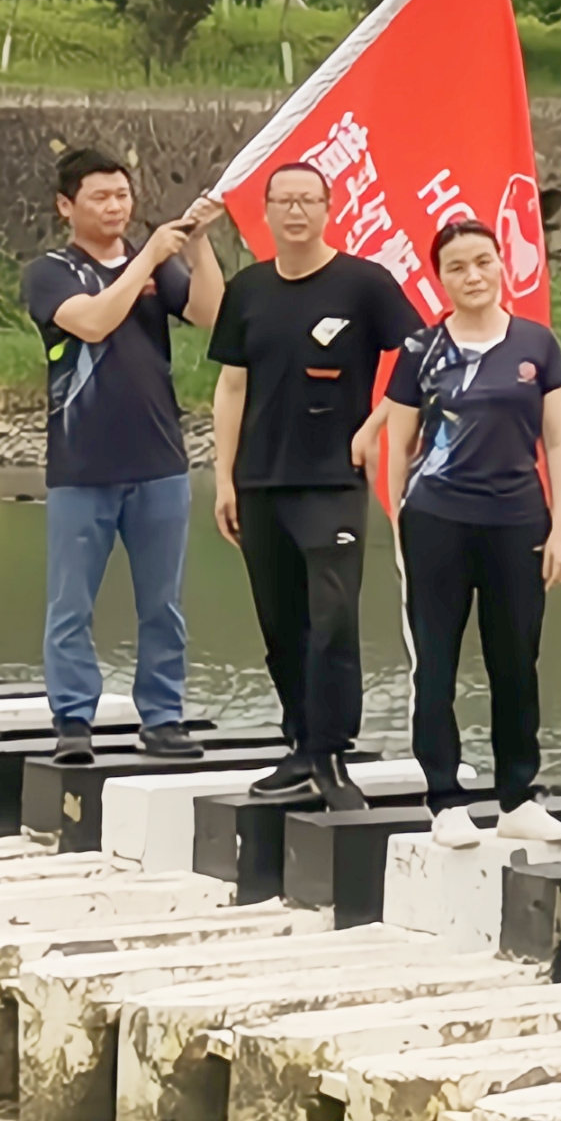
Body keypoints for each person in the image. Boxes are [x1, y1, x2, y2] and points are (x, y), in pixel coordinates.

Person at [369, 214, 561, 842]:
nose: (473, 275)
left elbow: (558, 442)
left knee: (516, 662)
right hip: (437, 520)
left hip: (518, 521)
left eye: (483, 261)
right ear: (441, 278)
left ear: (501, 265)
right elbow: (398, 446)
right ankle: (446, 801)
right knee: (435, 663)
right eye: (457, 267)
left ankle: (518, 799)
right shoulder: (421, 350)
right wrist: (398, 522)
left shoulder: (536, 344)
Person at [207, 157, 407, 803]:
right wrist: (224, 478)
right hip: (260, 480)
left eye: (307, 200)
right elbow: (231, 385)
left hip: (333, 481)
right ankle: (299, 746)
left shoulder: (363, 284)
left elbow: (421, 357)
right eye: (283, 201)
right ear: (265, 212)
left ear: (328, 208)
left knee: (333, 618)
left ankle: (331, 754)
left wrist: (374, 426)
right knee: (280, 623)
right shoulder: (248, 290)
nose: (295, 212)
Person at [23, 146, 226, 764]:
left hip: (159, 461)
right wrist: (148, 260)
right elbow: (92, 323)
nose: (115, 207)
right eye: (100, 197)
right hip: (82, 466)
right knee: (71, 604)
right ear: (66, 206)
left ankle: (163, 718)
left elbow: (212, 314)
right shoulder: (52, 272)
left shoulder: (153, 265)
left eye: (122, 195)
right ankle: (73, 720)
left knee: (162, 604)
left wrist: (197, 247)